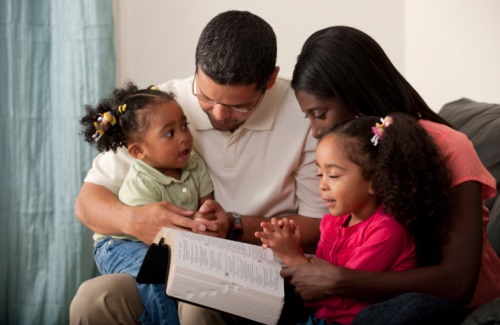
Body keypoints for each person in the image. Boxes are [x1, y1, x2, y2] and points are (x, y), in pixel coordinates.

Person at [70, 10, 327, 325]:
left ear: (270, 80)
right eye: (206, 97)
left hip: (258, 268)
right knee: (94, 299)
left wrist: (235, 227)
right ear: (196, 69)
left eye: (238, 105)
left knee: (197, 306)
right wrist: (136, 220)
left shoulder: (302, 113)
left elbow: (319, 227)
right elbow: (87, 204)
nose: (218, 114)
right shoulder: (162, 107)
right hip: (179, 261)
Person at [283, 25, 500, 324]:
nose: (316, 131)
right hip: (370, 296)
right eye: (308, 117)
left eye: (320, 115)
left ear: (355, 95)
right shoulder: (348, 161)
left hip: (453, 305)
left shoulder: (449, 146)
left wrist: (340, 280)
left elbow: (458, 283)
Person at [257, 114, 453, 324]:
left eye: (333, 175)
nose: (322, 185)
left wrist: (293, 257)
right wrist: (292, 246)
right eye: (319, 174)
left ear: (375, 181)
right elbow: (318, 289)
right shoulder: (333, 222)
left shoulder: (388, 230)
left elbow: (334, 294)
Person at [79, 82, 214, 324]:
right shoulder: (141, 182)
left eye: (184, 126)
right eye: (170, 133)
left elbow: (207, 205)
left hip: (158, 245)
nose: (184, 137)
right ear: (139, 152)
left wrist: (207, 216)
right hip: (119, 245)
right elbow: (153, 235)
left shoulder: (195, 164)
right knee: (154, 277)